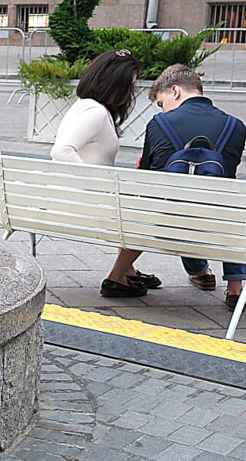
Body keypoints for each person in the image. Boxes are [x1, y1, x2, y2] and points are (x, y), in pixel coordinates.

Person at [49, 50, 160, 299]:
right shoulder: (95, 112)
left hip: (79, 197)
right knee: (147, 214)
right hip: (86, 202)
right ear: (112, 83)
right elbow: (61, 151)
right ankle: (117, 277)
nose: (129, 94)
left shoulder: (87, 107)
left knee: (136, 203)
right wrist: (97, 184)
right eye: (128, 87)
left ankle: (127, 269)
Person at [140, 64, 246, 311]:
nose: (162, 109)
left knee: (180, 202)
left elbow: (146, 176)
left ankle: (200, 270)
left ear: (175, 91)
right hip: (221, 219)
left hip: (172, 221)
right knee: (229, 206)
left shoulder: (159, 124)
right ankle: (235, 288)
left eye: (161, 102)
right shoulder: (236, 126)